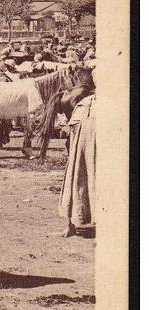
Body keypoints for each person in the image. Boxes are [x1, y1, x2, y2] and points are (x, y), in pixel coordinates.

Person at [59, 87, 96, 238]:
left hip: (93, 154)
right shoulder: (84, 104)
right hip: (80, 154)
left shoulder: (87, 104)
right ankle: (71, 225)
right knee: (74, 182)